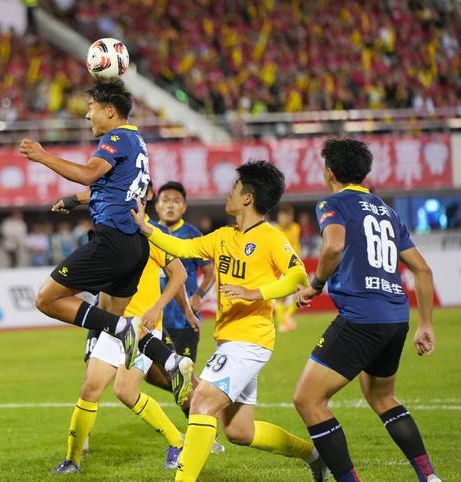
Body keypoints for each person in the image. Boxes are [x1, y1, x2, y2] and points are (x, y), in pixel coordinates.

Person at [132, 161, 328, 482]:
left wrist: (256, 293)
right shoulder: (224, 236)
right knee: (239, 431)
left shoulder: (270, 237)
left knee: (201, 402)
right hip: (229, 340)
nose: (228, 192)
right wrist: (146, 227)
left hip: (250, 340)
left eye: (234, 187)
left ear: (248, 197)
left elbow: (297, 276)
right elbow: (183, 247)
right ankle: (315, 455)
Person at [18, 80, 193, 388]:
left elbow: (89, 174)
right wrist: (74, 200)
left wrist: (42, 155)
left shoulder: (117, 137)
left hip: (113, 240)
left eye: (91, 108)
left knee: (46, 300)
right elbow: (109, 189)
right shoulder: (137, 141)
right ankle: (169, 361)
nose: (87, 116)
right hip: (136, 246)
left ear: (110, 111)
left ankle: (132, 336)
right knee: (114, 324)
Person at [293, 138, 440, 482]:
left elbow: (333, 246)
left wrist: (315, 285)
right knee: (382, 396)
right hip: (396, 318)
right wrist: (426, 324)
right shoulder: (387, 211)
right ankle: (429, 476)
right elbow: (423, 270)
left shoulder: (333, 203)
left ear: (329, 171)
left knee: (308, 400)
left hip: (361, 317)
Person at [55, 220, 191, 474]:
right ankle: (72, 461)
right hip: (114, 327)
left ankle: (177, 442)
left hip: (143, 329)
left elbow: (180, 274)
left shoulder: (150, 234)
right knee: (89, 389)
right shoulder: (109, 235)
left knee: (125, 391)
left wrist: (157, 308)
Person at [154, 181, 215, 374]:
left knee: (183, 375)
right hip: (154, 318)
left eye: (176, 201)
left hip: (184, 320)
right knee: (151, 374)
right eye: (165, 200)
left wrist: (198, 296)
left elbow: (210, 272)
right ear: (157, 206)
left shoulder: (192, 235)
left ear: (184, 207)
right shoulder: (149, 232)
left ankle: (199, 394)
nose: (170, 206)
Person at [272, 203, 301, 332]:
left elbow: (296, 247)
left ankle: (287, 317)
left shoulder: (296, 228)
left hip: (295, 266)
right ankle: (283, 323)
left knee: (299, 293)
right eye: (283, 216)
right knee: (281, 297)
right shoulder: (275, 230)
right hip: (281, 267)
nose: (285, 219)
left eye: (288, 215)